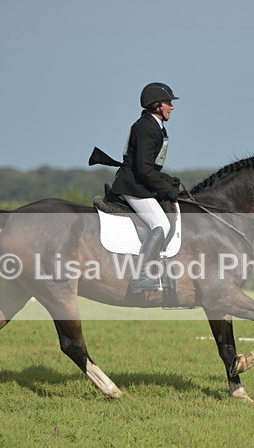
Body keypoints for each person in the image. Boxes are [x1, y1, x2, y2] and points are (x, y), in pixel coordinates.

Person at [110, 82, 181, 293]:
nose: (172, 107)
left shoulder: (154, 126)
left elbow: (149, 167)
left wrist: (168, 181)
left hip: (139, 182)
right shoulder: (147, 127)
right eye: (169, 103)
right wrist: (166, 189)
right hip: (133, 185)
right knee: (161, 224)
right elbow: (143, 169)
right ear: (157, 105)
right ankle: (141, 277)